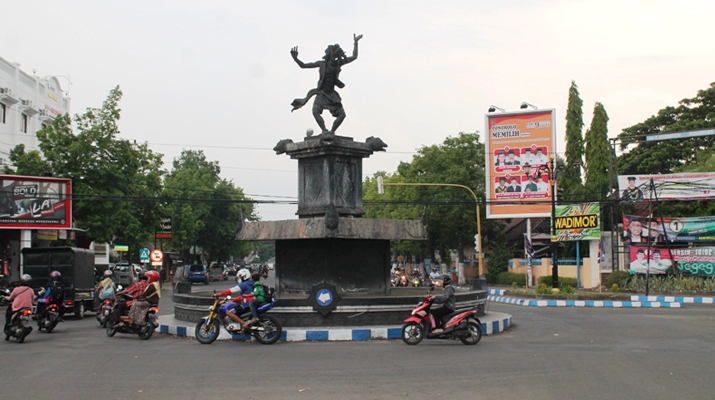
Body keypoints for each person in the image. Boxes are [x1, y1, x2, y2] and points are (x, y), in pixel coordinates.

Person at [290, 33, 363, 134]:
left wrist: (355, 43)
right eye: (333, 54)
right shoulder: (321, 64)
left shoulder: (338, 63)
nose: (335, 57)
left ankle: (332, 132)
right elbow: (304, 65)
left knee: (342, 115)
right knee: (315, 111)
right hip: (321, 93)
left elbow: (354, 56)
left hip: (332, 94)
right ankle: (324, 130)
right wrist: (296, 58)